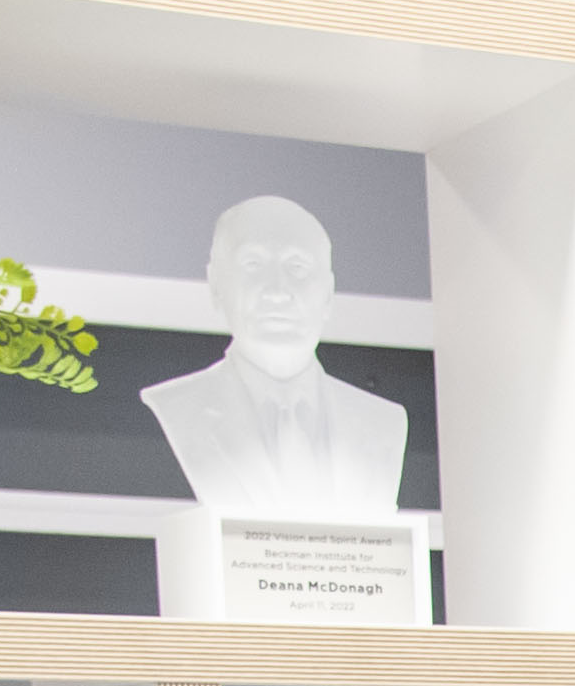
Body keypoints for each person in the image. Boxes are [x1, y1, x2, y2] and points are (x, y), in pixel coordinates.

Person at [139, 195, 409, 516]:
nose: (277, 291)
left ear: (328, 293)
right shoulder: (179, 407)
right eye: (253, 264)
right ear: (215, 285)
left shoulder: (383, 423)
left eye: (297, 267)